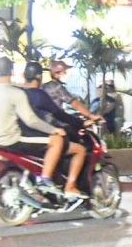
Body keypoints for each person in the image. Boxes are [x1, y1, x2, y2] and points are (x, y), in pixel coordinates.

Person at [0, 56, 69, 195]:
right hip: (11, 140)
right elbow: (31, 120)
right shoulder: (15, 92)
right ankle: (45, 179)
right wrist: (54, 130)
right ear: (11, 71)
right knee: (56, 141)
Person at [23, 61, 87, 199]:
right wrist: (83, 121)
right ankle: (70, 186)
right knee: (79, 149)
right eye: (64, 71)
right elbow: (62, 111)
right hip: (47, 131)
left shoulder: (22, 93)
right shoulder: (45, 92)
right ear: (40, 76)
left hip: (24, 135)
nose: (66, 74)